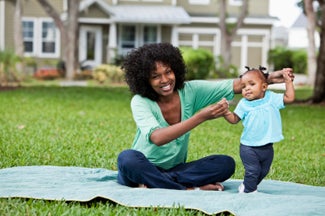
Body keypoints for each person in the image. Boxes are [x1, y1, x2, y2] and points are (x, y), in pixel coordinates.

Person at [117, 43, 294, 191]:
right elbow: (157, 138)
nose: (165, 80)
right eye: (156, 76)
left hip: (176, 169)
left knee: (225, 164)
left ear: (176, 71)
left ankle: (158, 183)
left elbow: (234, 86)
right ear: (145, 80)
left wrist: (268, 78)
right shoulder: (140, 101)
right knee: (127, 158)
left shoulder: (190, 91)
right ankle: (186, 188)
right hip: (142, 167)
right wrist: (200, 117)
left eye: (168, 72)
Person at [223, 66, 295, 193]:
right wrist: (225, 112)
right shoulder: (244, 104)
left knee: (263, 171)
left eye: (251, 84)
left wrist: (288, 82)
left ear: (264, 87)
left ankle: (247, 185)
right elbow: (234, 119)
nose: (247, 89)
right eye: (244, 86)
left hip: (267, 147)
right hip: (248, 147)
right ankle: (249, 193)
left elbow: (289, 98)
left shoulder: (271, 98)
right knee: (253, 170)